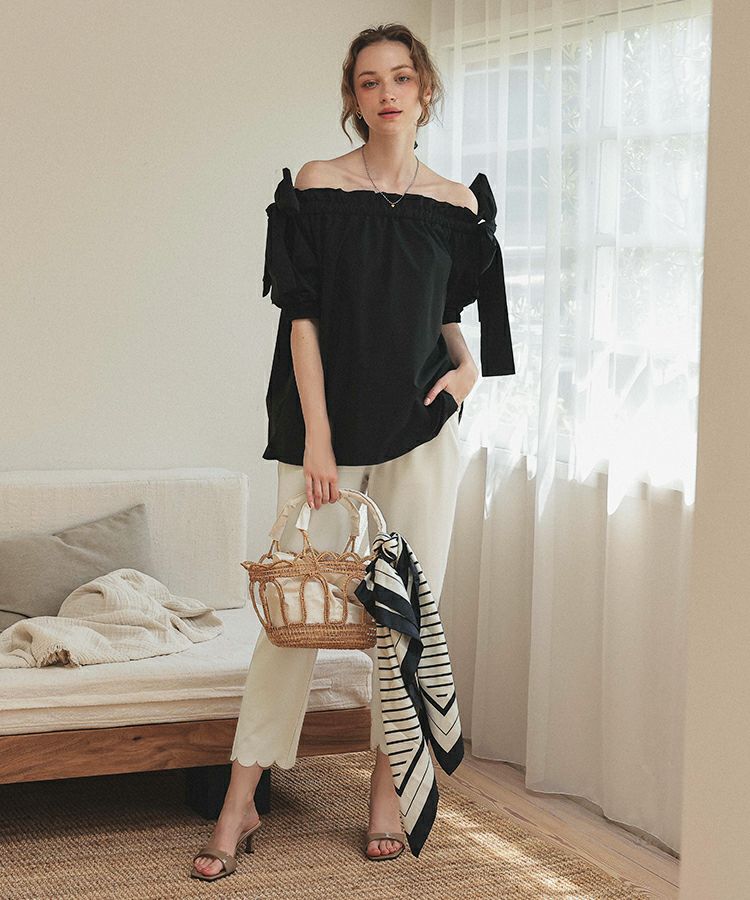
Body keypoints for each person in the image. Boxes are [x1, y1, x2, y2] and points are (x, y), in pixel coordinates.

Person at [191, 21, 514, 882]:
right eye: (370, 82)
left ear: (425, 90)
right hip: (326, 437)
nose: (387, 94)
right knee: (290, 619)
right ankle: (239, 799)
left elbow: (446, 318)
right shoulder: (318, 185)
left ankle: (386, 791)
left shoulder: (455, 204)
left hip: (422, 432)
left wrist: (469, 370)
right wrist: (320, 440)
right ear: (353, 97)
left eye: (401, 78)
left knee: (403, 622)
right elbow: (302, 318)